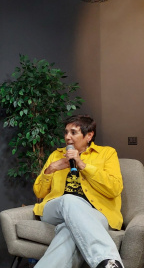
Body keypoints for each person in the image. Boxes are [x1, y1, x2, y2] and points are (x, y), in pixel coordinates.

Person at [33, 115, 124, 268]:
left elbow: (114, 188)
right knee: (69, 199)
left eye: (73, 132)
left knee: (68, 232)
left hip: (96, 212)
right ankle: (108, 261)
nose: (67, 137)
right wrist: (52, 169)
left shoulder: (107, 154)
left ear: (89, 135)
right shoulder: (56, 155)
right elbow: (39, 192)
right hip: (55, 209)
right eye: (66, 132)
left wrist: (82, 165)